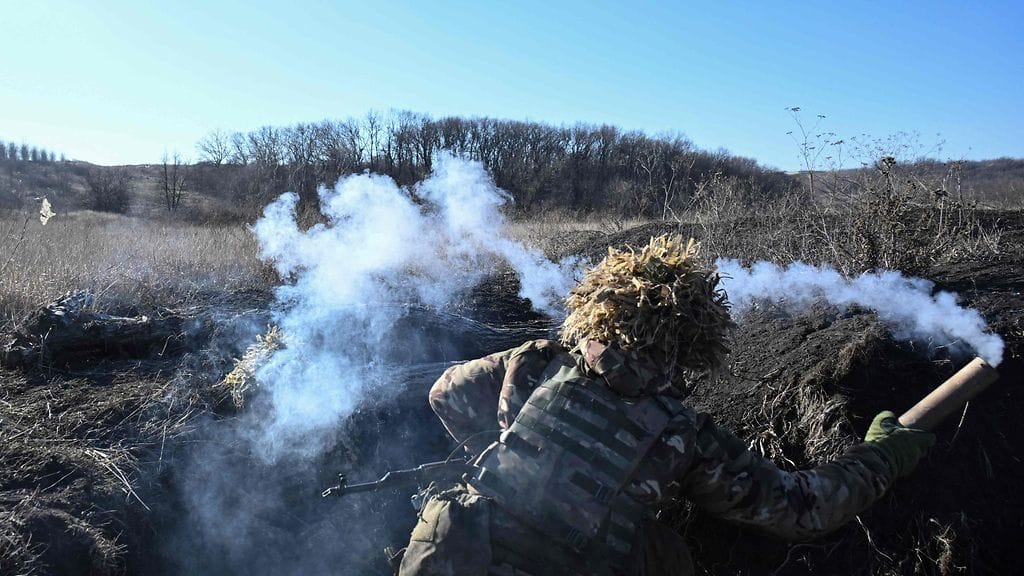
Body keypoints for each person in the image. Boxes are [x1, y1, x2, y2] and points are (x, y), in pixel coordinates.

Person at [397, 235, 934, 576]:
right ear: (693, 348)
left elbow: (445, 393)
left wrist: (503, 454)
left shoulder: (537, 361)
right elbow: (803, 508)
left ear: (597, 309)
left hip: (454, 555)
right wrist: (883, 455)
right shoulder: (686, 434)